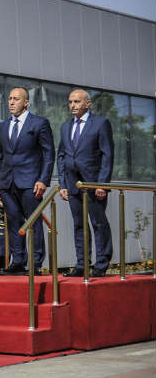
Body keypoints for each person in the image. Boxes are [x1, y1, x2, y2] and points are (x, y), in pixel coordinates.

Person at [0, 87, 54, 274]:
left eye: (16, 99)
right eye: (10, 98)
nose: (11, 102)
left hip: (31, 182)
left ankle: (35, 263)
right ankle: (17, 261)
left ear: (26, 102)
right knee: (13, 221)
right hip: (7, 183)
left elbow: (48, 154)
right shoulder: (2, 126)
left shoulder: (39, 123)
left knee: (33, 222)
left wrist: (43, 179)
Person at [57, 88, 113, 277]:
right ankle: (82, 264)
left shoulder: (100, 123)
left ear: (87, 104)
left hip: (94, 184)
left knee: (98, 223)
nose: (72, 105)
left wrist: (102, 184)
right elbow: (62, 156)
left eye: (77, 102)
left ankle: (101, 264)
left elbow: (107, 155)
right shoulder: (65, 127)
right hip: (73, 185)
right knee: (79, 225)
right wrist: (63, 184)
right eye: (70, 102)